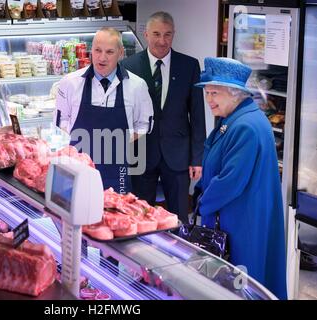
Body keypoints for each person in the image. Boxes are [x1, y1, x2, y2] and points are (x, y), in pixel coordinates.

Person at [194, 57, 287, 299]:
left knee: (242, 286)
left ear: (234, 94)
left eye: (214, 92)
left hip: (241, 223)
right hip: (240, 218)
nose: (208, 99)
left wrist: (201, 203)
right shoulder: (236, 119)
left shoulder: (245, 126)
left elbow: (230, 182)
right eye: (207, 92)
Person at [121, 11, 206, 223]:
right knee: (141, 218)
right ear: (146, 34)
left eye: (167, 34)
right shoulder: (128, 66)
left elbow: (197, 115)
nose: (162, 41)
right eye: (156, 34)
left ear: (174, 34)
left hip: (177, 156)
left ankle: (179, 256)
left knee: (178, 219)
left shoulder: (189, 65)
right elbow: (124, 114)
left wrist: (198, 158)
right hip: (141, 154)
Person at [55, 27, 153, 193]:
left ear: (121, 53)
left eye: (109, 52)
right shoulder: (70, 82)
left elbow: (144, 125)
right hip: (78, 166)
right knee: (77, 214)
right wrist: (87, 143)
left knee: (116, 214)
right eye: (97, 50)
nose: (102, 58)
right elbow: (61, 120)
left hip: (118, 170)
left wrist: (117, 143)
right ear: (91, 51)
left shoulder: (137, 86)